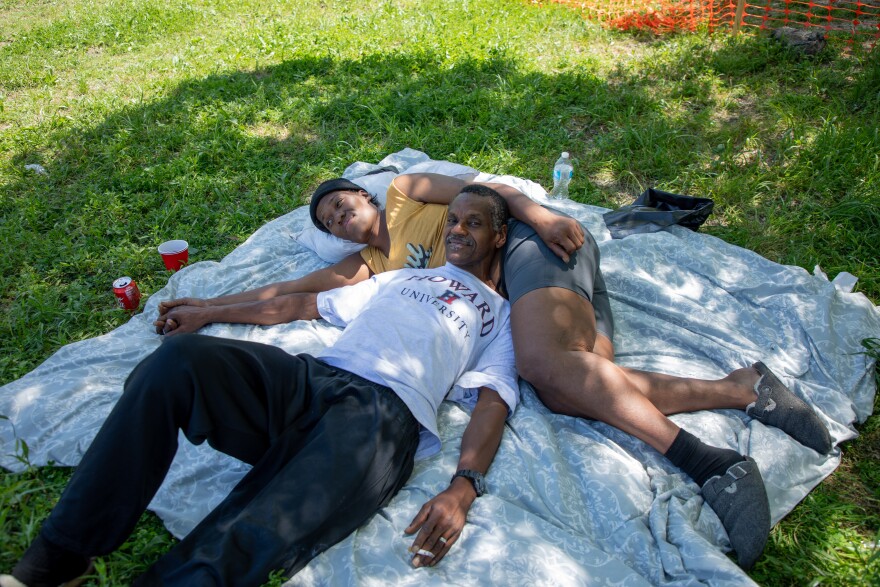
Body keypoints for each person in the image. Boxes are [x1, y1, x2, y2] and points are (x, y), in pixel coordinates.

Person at [155, 173, 833, 570]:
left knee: (543, 367)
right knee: (580, 382)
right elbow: (290, 295)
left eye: (343, 202)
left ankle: (710, 462)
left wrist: (533, 213)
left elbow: (479, 192)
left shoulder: (403, 192)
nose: (342, 216)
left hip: (528, 241)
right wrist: (208, 308)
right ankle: (744, 388)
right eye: (331, 219)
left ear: (364, 195)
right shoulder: (370, 269)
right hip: (519, 285)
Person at [1, 189, 518, 587]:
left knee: (257, 526)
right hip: (314, 379)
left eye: (474, 222)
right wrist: (208, 313)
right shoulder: (401, 279)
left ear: (499, 236)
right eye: (453, 219)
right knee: (177, 361)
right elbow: (300, 305)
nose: (457, 229)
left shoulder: (501, 313)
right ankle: (53, 560)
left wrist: (463, 486)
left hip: (382, 418)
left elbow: (493, 399)